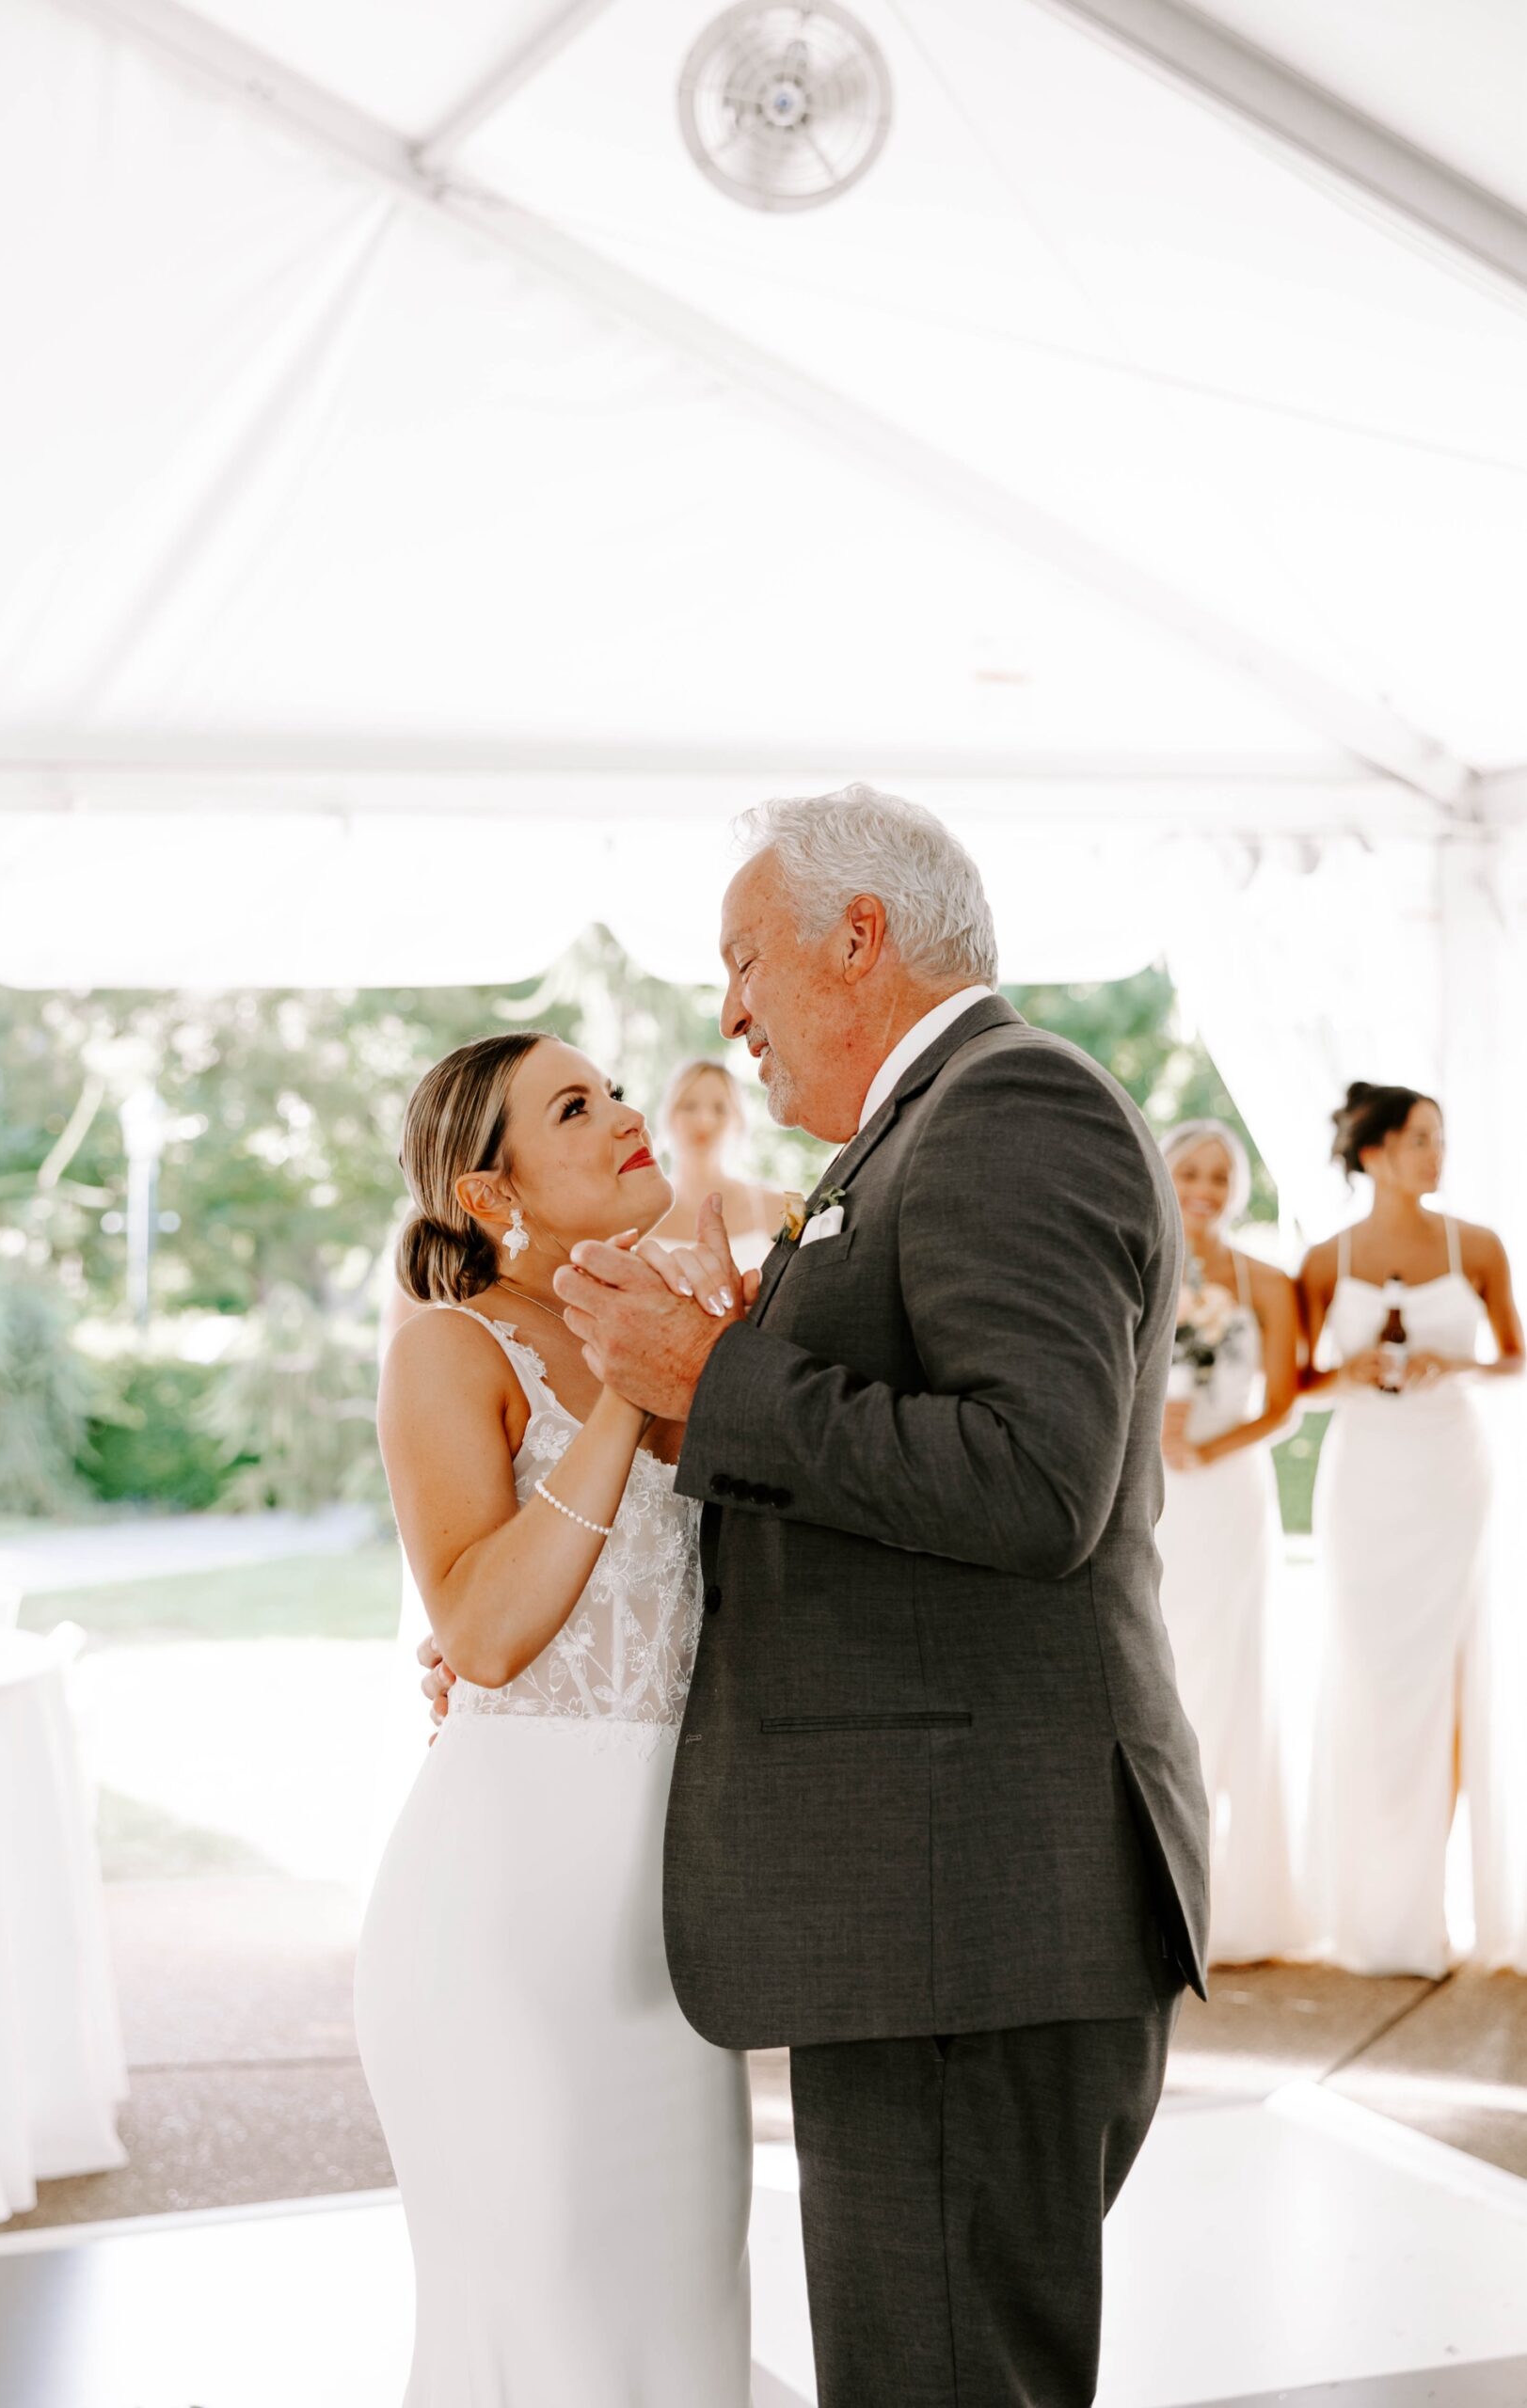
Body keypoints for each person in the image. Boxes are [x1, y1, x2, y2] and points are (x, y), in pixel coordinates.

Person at [460, 781, 1210, 2408]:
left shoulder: (1011, 1111)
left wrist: (720, 1374)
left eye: (744, 961)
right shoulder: (924, 1127)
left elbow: (1031, 1485)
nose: (725, 1013)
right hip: (941, 1907)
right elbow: (845, 1484)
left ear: (857, 938)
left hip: (969, 1911)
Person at [355, 1033, 753, 2407]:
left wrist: (702, 1366)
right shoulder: (448, 1352)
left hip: (669, 1941)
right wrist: (624, 1399)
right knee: (549, 2329)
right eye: (573, 1108)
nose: (626, 1116)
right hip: (502, 1939)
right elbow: (483, 1634)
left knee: (677, 2327)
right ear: (489, 1194)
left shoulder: (706, 1341)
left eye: (616, 1091)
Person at [1299, 1082, 1523, 1976]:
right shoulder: (1324, 1259)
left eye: (1442, 1138)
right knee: (1372, 1674)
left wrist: (1459, 1360)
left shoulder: (1479, 1245)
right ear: (1375, 1153)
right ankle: (1372, 1906)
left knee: (1449, 1676)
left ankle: (1437, 1899)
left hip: (1450, 1475)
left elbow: (1516, 1353)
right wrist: (1344, 1368)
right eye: (1422, 1139)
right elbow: (1298, 1384)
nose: (1438, 1155)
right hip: (1364, 1481)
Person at [1157, 1120, 1302, 1963]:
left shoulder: (1268, 1282)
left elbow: (1283, 1401)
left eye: (1218, 1175)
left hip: (1231, 1494)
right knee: (1167, 1668)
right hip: (1155, 1496)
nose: (1204, 1189)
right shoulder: (1136, 1260)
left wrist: (1208, 1446)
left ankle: (1242, 1902)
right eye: (1189, 1172)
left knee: (1234, 1670)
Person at [647, 1055, 784, 1271]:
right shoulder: (642, 1212)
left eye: (720, 1108)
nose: (704, 1121)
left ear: (738, 1120)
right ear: (668, 1116)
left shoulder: (776, 1207)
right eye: (689, 1106)